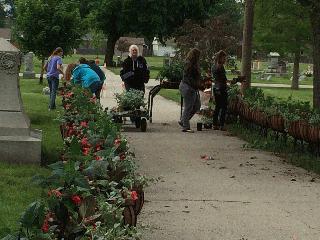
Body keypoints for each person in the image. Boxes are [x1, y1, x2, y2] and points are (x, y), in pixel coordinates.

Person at [179, 48, 202, 133]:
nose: (199, 58)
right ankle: (185, 126)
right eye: (198, 56)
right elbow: (190, 79)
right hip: (188, 87)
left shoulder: (193, 64)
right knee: (188, 107)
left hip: (191, 87)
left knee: (197, 105)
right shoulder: (189, 65)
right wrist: (198, 85)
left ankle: (183, 121)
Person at [211, 50, 229, 131]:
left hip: (216, 87)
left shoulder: (213, 66)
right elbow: (223, 79)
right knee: (224, 106)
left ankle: (215, 124)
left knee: (217, 106)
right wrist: (234, 81)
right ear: (220, 57)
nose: (225, 59)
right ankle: (222, 124)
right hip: (222, 88)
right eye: (224, 57)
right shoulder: (220, 67)